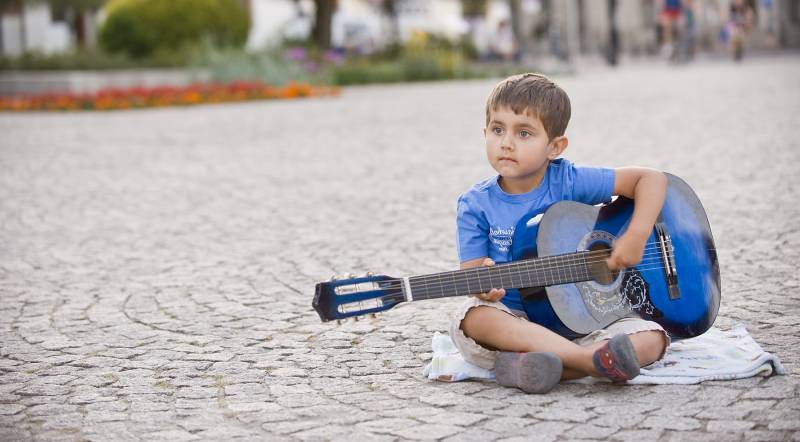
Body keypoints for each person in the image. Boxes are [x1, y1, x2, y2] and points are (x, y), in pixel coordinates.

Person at [449, 73, 670, 394]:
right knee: (474, 318)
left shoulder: (567, 180)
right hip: (517, 322)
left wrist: (635, 235)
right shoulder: (475, 204)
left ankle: (548, 366)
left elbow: (651, 179)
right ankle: (588, 362)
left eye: (524, 133)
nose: (506, 142)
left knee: (654, 338)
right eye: (497, 130)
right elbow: (472, 275)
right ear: (485, 133)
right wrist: (484, 287)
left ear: (554, 146)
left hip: (586, 319)